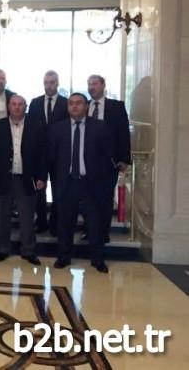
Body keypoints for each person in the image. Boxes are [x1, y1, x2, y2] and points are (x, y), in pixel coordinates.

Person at [48, 93, 112, 273]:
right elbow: (52, 157)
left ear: (86, 106)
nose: (74, 106)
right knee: (65, 223)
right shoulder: (57, 129)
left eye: (78, 103)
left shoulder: (99, 127)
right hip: (67, 182)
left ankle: (97, 259)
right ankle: (64, 257)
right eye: (71, 103)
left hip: (90, 183)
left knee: (94, 223)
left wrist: (103, 183)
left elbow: (106, 157)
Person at [0, 95, 46, 265]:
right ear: (8, 106)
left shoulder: (36, 126)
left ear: (25, 107)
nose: (16, 107)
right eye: (13, 104)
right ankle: (2, 248)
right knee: (3, 216)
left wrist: (41, 177)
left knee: (27, 217)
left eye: (20, 104)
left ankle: (28, 250)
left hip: (26, 177)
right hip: (4, 177)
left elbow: (43, 154)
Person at [87, 74, 131, 243]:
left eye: (95, 84)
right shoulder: (84, 106)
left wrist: (124, 158)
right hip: (86, 162)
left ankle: (103, 233)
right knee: (88, 199)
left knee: (105, 199)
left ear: (103, 85)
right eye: (89, 84)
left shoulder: (116, 107)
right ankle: (90, 232)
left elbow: (123, 133)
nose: (92, 87)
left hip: (108, 162)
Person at [28, 70, 68, 234]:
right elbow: (30, 128)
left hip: (60, 154)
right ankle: (41, 221)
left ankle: (55, 223)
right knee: (39, 189)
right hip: (39, 154)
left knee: (59, 189)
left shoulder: (66, 103)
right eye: (46, 82)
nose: (49, 85)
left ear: (57, 83)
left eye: (52, 82)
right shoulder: (35, 103)